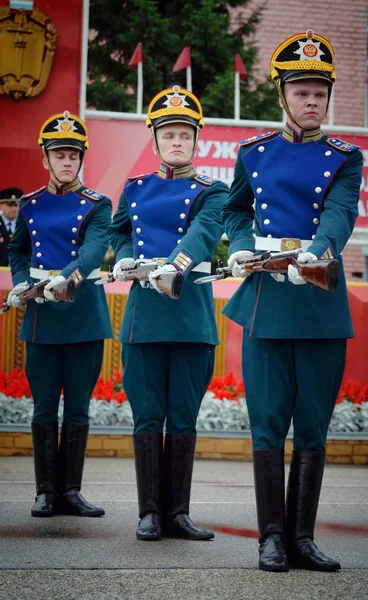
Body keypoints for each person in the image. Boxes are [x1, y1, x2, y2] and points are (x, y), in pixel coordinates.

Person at [222, 30, 363, 572]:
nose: (311, 101)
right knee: (267, 424)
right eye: (301, 91)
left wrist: (317, 253)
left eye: (319, 93)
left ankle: (303, 538)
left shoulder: (345, 158)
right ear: (282, 95)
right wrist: (238, 247)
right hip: (265, 302)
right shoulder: (253, 153)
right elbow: (234, 213)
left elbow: (341, 212)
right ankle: (272, 539)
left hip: (319, 299)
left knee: (312, 426)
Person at [109, 86, 228, 541]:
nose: (177, 141)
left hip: (190, 318)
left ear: (196, 140)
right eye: (168, 134)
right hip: (144, 321)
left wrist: (172, 265)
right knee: (146, 418)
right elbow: (120, 232)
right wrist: (121, 256)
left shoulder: (212, 191)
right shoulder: (135, 189)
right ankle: (150, 513)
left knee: (183, 418)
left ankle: (178, 513)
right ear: (154, 140)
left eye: (184, 134)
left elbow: (202, 234)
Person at [7, 111, 113, 518]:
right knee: (44, 407)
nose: (67, 161)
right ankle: (45, 492)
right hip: (42, 319)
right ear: (45, 159)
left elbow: (92, 251)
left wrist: (67, 277)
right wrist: (20, 281)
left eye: (73, 155)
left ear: (82, 158)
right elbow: (18, 250)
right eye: (59, 155)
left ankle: (71, 491)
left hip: (83, 317)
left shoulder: (97, 204)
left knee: (80, 408)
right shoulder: (30, 205)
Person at [0, 188, 23, 266]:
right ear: (1, 205)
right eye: (9, 205)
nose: (13, 209)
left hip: (19, 272)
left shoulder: (25, 224)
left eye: (16, 205)